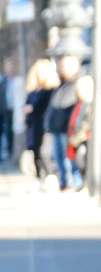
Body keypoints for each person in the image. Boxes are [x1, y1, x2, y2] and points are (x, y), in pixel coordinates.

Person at [47, 55, 82, 191]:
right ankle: (64, 182)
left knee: (69, 157)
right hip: (56, 126)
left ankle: (74, 182)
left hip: (67, 127)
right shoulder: (62, 84)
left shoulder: (76, 83)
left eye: (65, 66)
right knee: (59, 157)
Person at [23, 59, 59, 191]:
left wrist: (32, 108)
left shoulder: (50, 90)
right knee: (34, 151)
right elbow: (28, 105)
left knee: (44, 152)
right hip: (33, 124)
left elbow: (42, 107)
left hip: (44, 125)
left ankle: (50, 177)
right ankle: (39, 178)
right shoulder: (33, 90)